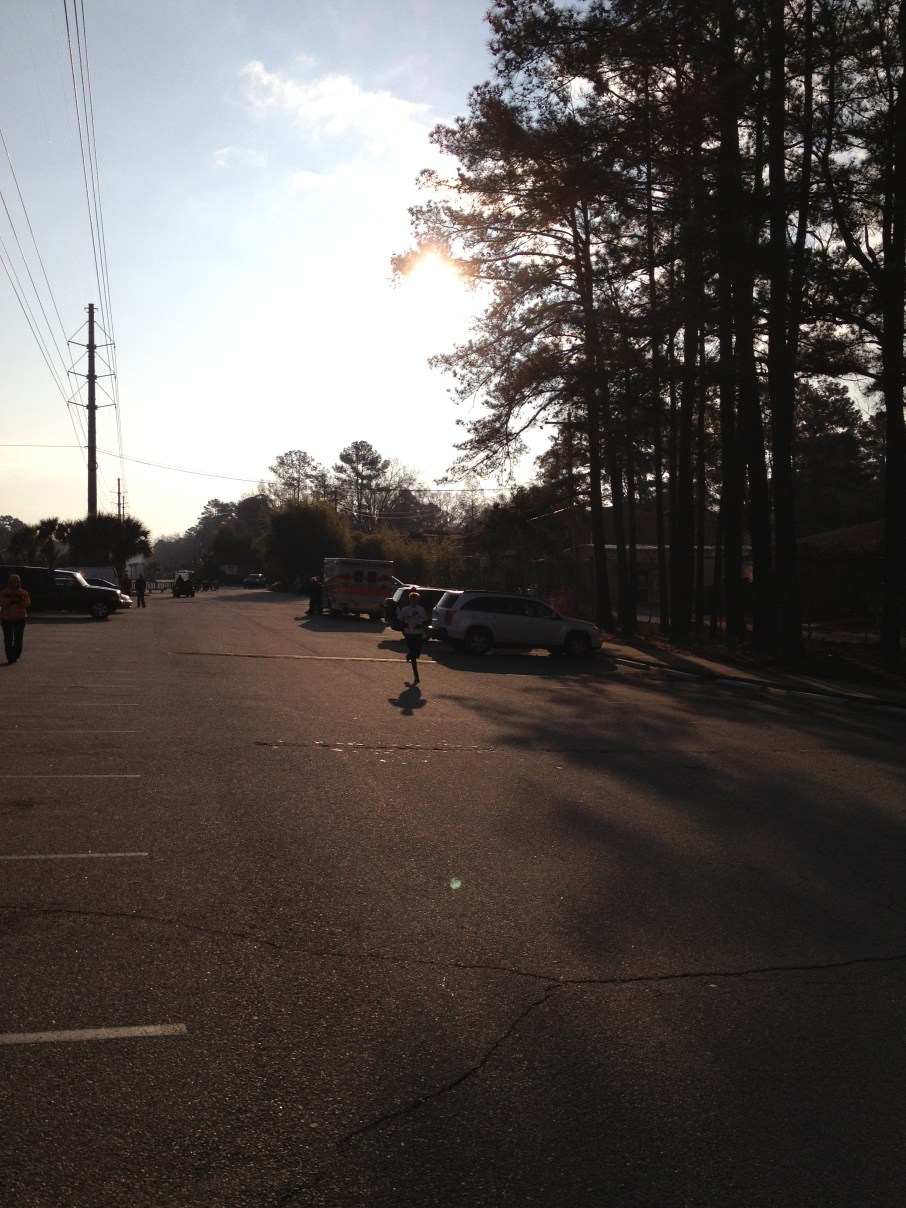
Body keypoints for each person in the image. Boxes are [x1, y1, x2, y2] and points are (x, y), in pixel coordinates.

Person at [397, 589, 429, 685]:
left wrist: (422, 625)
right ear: (410, 600)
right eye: (413, 600)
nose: (415, 601)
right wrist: (404, 625)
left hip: (418, 633)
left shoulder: (421, 609)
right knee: (413, 655)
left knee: (417, 653)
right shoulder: (405, 610)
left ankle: (409, 655)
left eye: (417, 600)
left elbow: (426, 621)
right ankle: (416, 676)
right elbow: (399, 620)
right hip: (409, 633)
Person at [1, 572, 31, 665]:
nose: (14, 584)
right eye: (12, 582)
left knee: (18, 638)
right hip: (6, 618)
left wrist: (18, 601)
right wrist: (10, 600)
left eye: (16, 582)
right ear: (9, 582)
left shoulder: (23, 593)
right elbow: (2, 604)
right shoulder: (4, 592)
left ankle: (16, 655)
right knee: (8, 638)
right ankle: (10, 656)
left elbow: (27, 604)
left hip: (19, 617)